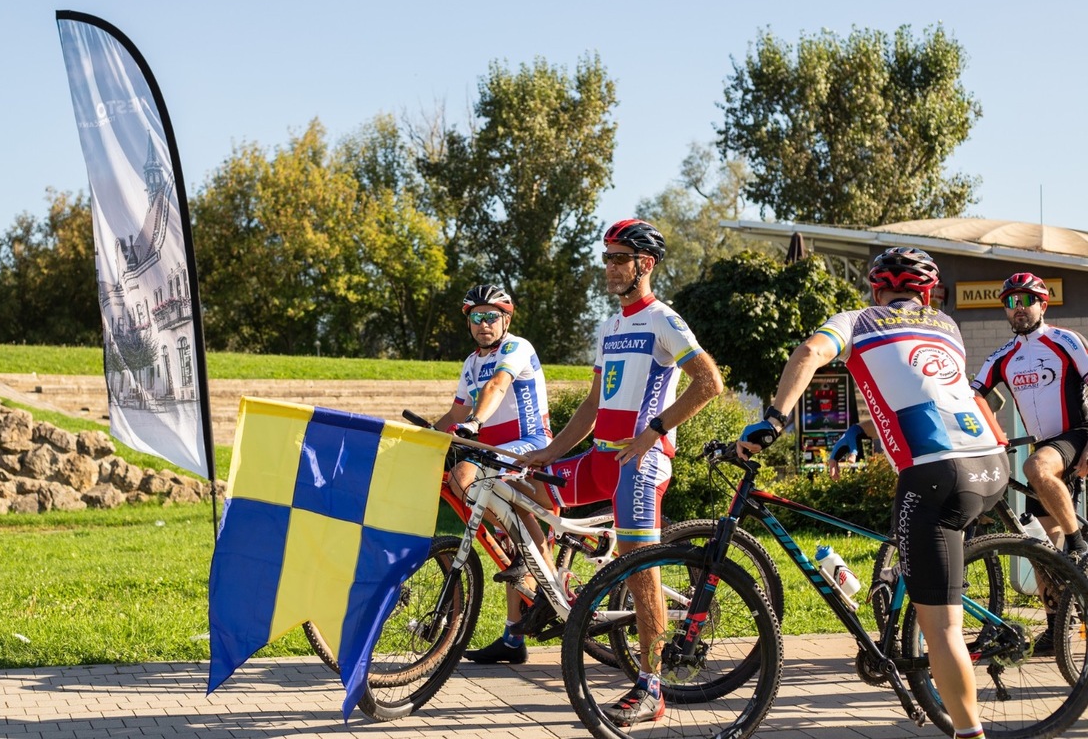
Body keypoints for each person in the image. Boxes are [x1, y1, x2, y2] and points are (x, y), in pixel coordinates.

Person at [738, 247, 1009, 739]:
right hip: (990, 463)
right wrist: (861, 431)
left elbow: (808, 353)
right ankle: (904, 595)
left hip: (935, 473)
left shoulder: (857, 320)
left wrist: (775, 419)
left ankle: (971, 733)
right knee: (915, 547)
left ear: (876, 289)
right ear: (925, 293)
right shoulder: (945, 327)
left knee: (942, 629)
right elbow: (922, 394)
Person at [520, 219, 723, 727]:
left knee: (638, 565)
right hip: (602, 457)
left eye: (618, 259)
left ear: (645, 265)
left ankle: (653, 686)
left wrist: (655, 431)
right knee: (522, 488)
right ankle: (561, 585)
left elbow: (709, 382)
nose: (608, 267)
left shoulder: (664, 320)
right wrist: (548, 451)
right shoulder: (609, 327)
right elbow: (592, 404)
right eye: (606, 258)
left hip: (641, 460)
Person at [432, 284, 554, 665]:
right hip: (491, 449)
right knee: (466, 487)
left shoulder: (515, 348)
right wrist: (416, 441)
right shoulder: (470, 362)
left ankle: (537, 570)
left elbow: (498, 385)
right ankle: (513, 638)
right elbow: (454, 415)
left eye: (492, 316)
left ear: (506, 319)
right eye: (476, 317)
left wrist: (476, 421)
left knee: (482, 484)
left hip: (529, 443)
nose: (484, 324)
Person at [970, 272, 1088, 650]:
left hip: (1075, 436)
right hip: (1042, 445)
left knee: (1035, 468)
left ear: (1043, 304)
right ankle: (1058, 628)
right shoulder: (1002, 356)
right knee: (1038, 544)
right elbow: (971, 398)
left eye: (1026, 300)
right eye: (1010, 302)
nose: (1018, 308)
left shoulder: (1065, 341)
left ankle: (1079, 543)